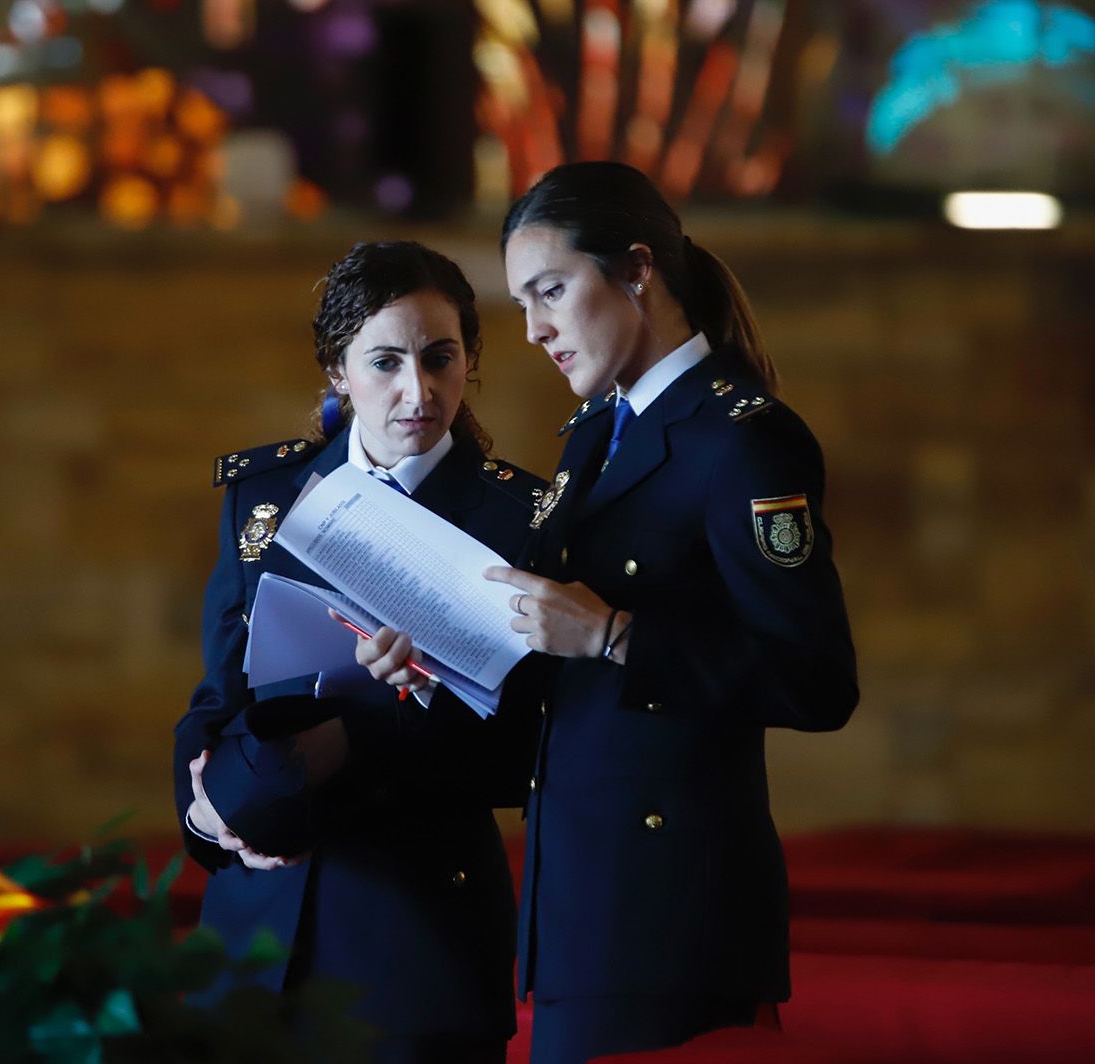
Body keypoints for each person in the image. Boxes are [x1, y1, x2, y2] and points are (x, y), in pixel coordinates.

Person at [358, 162, 858, 1063]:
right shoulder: (595, 431)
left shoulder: (741, 440)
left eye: (551, 291)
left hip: (676, 913)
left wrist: (616, 636)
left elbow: (817, 681)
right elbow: (565, 677)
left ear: (636, 269)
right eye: (521, 305)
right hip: (579, 903)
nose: (537, 330)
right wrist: (441, 658)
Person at [172, 241, 545, 1064]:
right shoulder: (267, 494)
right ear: (337, 370)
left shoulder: (518, 521)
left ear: (471, 359)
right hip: (253, 927)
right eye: (385, 362)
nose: (419, 391)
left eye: (441, 358)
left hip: (412, 934)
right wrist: (202, 810)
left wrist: (404, 707)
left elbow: (528, 750)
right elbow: (217, 690)